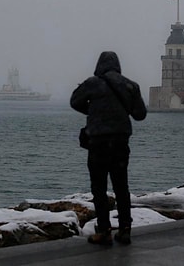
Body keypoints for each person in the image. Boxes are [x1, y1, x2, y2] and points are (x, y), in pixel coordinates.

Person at [70, 51, 147, 245]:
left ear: (99, 65)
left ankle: (103, 231)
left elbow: (74, 101)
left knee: (99, 187)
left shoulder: (92, 83)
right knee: (122, 187)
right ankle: (125, 229)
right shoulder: (131, 85)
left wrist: (94, 111)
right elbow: (140, 114)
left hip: (98, 143)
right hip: (121, 142)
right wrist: (123, 109)